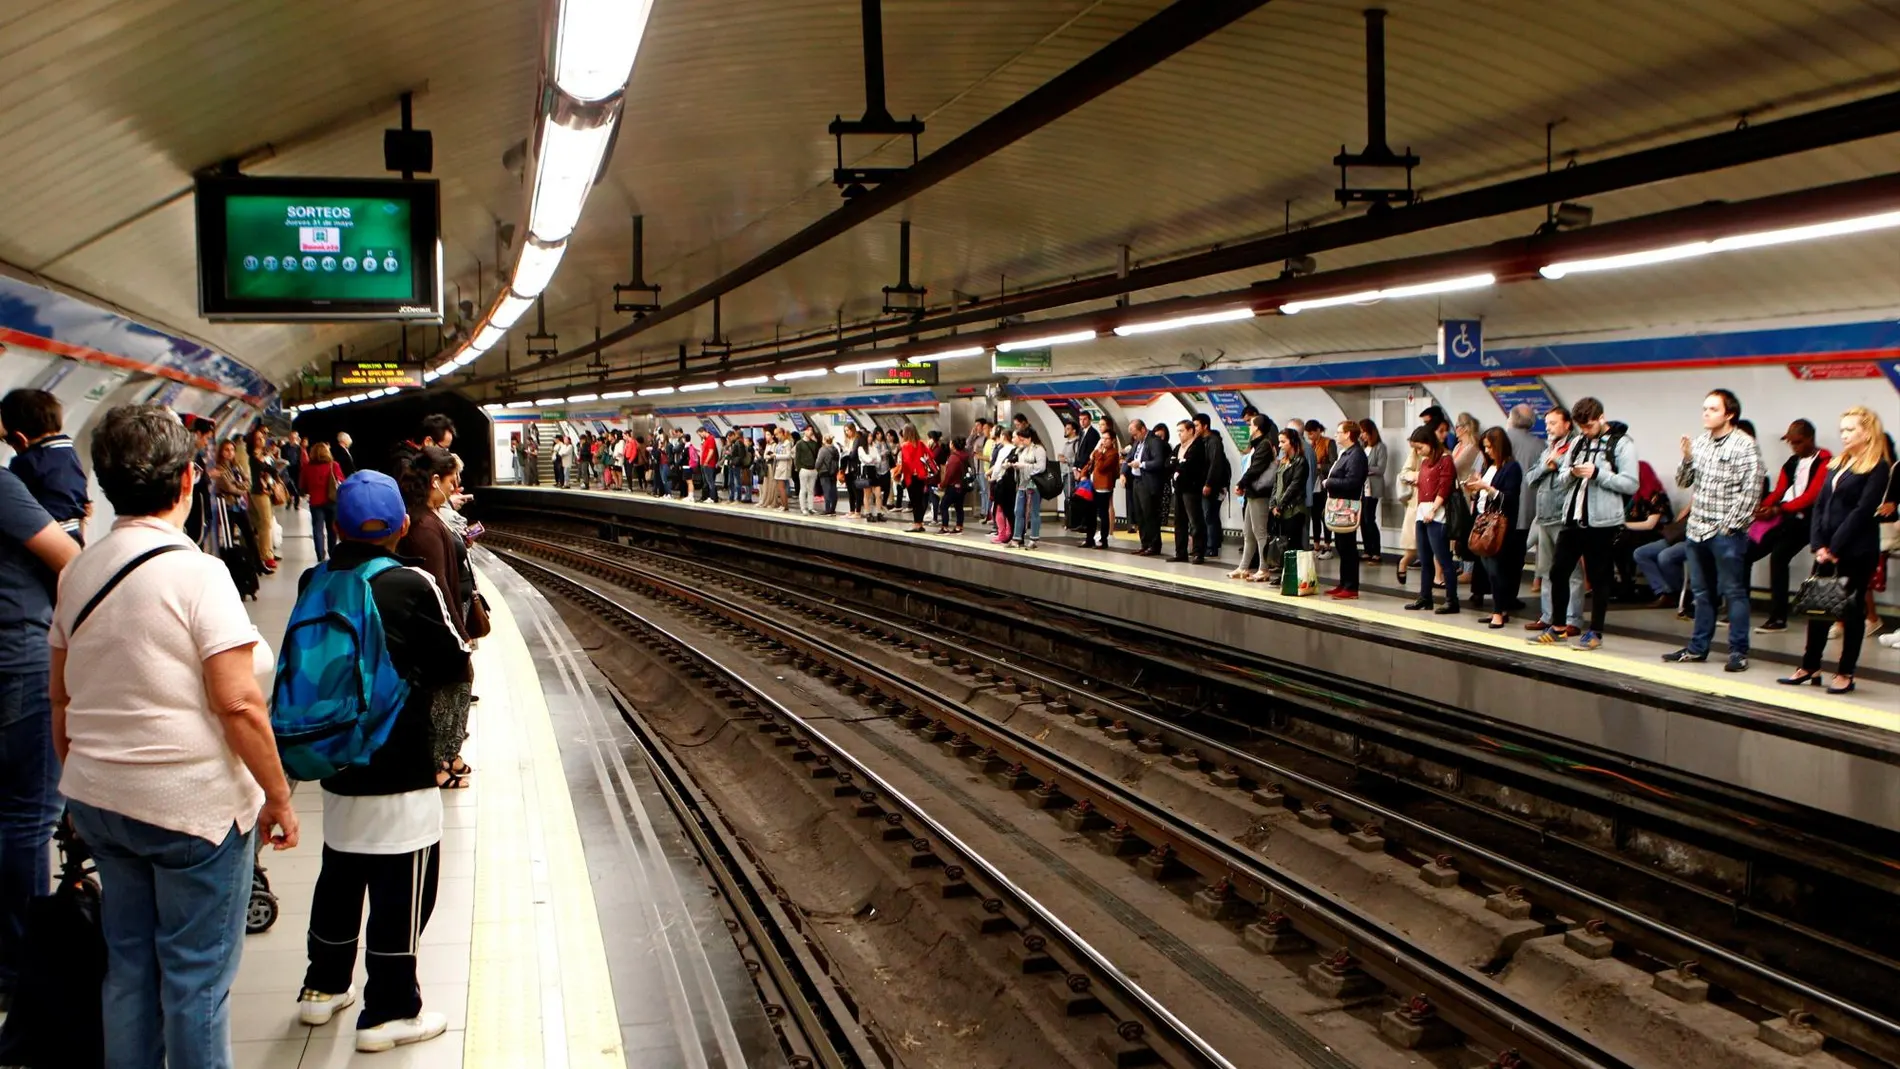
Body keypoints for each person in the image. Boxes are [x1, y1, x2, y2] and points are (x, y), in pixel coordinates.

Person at [53, 405, 298, 1069]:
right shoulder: (198, 574)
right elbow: (240, 701)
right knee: (195, 979)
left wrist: (83, 779)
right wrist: (277, 793)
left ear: (105, 483)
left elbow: (62, 694)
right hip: (191, 809)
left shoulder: (78, 569)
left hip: (102, 801)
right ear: (189, 479)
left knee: (130, 967)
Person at [294, 470, 472, 1051]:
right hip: (401, 764)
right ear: (400, 525)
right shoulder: (411, 584)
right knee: (404, 886)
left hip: (337, 760)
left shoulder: (313, 579)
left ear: (338, 525)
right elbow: (454, 660)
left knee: (339, 873)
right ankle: (389, 1011)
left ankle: (322, 988)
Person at [0, 464, 79, 1005]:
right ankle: (22, 966)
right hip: (17, 660)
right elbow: (69, 561)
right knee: (29, 817)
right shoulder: (2, 488)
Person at [1779, 408, 1892, 694]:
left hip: (1856, 550)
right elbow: (1819, 505)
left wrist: (1836, 546)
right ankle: (1810, 665)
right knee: (1818, 607)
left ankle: (1845, 672)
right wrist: (1819, 545)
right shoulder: (1837, 463)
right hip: (1827, 549)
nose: (1844, 435)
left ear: (1867, 432)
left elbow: (1862, 511)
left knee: (1851, 610)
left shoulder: (1877, 467)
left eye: (1850, 430)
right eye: (1842, 430)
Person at [1664, 389, 1763, 672]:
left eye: (1713, 409)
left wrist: (1730, 527)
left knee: (1734, 591)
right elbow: (1684, 482)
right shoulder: (1701, 443)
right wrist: (1686, 457)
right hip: (1696, 530)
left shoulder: (1745, 445)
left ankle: (1738, 651)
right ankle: (1698, 648)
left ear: (1729, 414)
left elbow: (1751, 490)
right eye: (1704, 408)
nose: (1705, 413)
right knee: (1702, 593)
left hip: (1725, 532)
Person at [1531, 397, 1639, 650]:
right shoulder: (1578, 442)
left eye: (1589, 426)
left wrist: (1599, 474)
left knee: (1599, 576)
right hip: (1573, 516)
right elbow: (1561, 478)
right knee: (1558, 571)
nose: (1585, 432)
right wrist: (1572, 472)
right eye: (1582, 427)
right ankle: (1557, 627)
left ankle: (1595, 632)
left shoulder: (1622, 444)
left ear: (1601, 418)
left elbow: (1631, 483)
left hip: (1603, 521)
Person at [396, 447, 474, 789]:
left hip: (439, 625)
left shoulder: (426, 516)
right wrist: (458, 633)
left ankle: (447, 756)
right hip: (437, 629)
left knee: (453, 687)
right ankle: (439, 763)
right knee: (450, 690)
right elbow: (438, 586)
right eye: (451, 479)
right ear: (435, 480)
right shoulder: (425, 527)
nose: (455, 485)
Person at [1752, 420, 1831, 632]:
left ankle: (1778, 618)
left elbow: (1812, 496)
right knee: (1747, 552)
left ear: (1810, 439)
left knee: (1779, 556)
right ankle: (1736, 610)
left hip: (1811, 521)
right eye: (1791, 443)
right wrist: (1760, 508)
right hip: (1788, 518)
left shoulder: (1825, 461)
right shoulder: (1791, 463)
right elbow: (1779, 491)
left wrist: (1778, 510)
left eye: (1798, 442)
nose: (1794, 447)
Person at [1526, 408, 1585, 636]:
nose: (1548, 427)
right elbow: (1530, 478)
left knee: (1571, 572)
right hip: (1544, 517)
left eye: (1553, 423)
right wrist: (1545, 466)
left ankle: (1572, 618)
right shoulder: (1547, 449)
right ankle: (1548, 616)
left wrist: (1559, 463)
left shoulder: (1576, 447)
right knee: (1546, 570)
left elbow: (1575, 477)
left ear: (1567, 424)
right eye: (1547, 423)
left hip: (1564, 518)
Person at [4, 389, 91, 545]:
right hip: (73, 532)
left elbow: (14, 503)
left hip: (46, 538)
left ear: (20, 438)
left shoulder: (25, 463)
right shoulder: (68, 451)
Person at [1468, 429, 1524, 628]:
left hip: (1500, 525)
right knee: (1488, 568)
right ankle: (1499, 609)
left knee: (1497, 569)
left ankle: (1499, 611)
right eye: (1485, 447)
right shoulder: (1488, 466)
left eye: (1490, 447)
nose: (1487, 451)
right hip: (1484, 521)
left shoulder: (1512, 468)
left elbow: (1510, 498)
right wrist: (1476, 489)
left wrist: (1487, 488)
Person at [1406, 425, 1460, 614]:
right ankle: (1425, 597)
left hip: (1437, 513)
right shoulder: (1425, 462)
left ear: (1429, 442)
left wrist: (1435, 508)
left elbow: (1445, 487)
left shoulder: (1446, 460)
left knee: (1444, 558)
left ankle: (1452, 600)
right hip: (1423, 511)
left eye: (1420, 448)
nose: (1418, 452)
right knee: (1425, 558)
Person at [1323, 421, 1368, 598]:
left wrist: (1329, 482)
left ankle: (1351, 586)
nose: (1336, 435)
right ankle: (1343, 583)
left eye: (1339, 432)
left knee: (1348, 546)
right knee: (1341, 545)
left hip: (1348, 506)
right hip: (1338, 504)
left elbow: (1353, 482)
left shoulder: (1356, 455)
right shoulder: (1346, 453)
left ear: (1349, 434)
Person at [1232, 415, 1278, 580]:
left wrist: (1241, 483)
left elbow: (1256, 468)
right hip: (1252, 492)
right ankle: (1243, 567)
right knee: (1248, 532)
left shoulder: (1264, 445)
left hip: (1260, 493)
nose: (1249, 427)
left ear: (1258, 427)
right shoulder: (1257, 445)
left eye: (1250, 424)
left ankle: (1263, 568)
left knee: (1260, 532)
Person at [300, 442, 346, 562]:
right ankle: (332, 552)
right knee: (332, 529)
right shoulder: (334, 465)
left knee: (317, 529)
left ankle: (320, 555)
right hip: (332, 501)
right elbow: (341, 481)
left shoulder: (307, 467)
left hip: (315, 502)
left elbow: (302, 486)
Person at [1268, 427, 1309, 562]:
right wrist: (1273, 504)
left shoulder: (1300, 462)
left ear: (1292, 442)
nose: (1280, 445)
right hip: (1281, 509)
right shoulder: (1283, 462)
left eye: (1283, 442)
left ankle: (1294, 574)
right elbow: (1276, 484)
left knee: (1293, 543)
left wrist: (1280, 505)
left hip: (1294, 508)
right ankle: (1284, 572)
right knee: (1283, 543)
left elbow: (1294, 486)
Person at [1171, 420, 1208, 563]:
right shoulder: (1178, 447)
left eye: (1182, 431)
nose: (1179, 434)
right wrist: (1178, 463)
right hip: (1179, 488)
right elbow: (1169, 463)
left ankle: (1198, 551)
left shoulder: (1197, 446)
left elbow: (1190, 465)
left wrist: (1180, 464)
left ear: (1191, 431)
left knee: (1195, 520)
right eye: (1178, 431)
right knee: (1179, 521)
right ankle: (1180, 552)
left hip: (1191, 488)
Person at [1079, 419, 1120, 549]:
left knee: (1103, 513)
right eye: (1103, 438)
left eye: (1107, 439)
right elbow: (1091, 462)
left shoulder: (1113, 454)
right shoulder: (1099, 451)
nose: (1104, 441)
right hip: (1092, 484)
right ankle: (1089, 538)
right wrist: (1083, 474)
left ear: (1112, 440)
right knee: (1090, 512)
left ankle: (1104, 539)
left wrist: (1100, 453)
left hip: (1103, 486)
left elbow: (1102, 467)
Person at [1195, 413, 1230, 557]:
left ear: (1205, 426)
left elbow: (1215, 464)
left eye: (1197, 425)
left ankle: (1212, 546)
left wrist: (1209, 483)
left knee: (1210, 515)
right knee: (1206, 515)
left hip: (1213, 486)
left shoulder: (1214, 441)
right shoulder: (1200, 441)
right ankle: (1207, 544)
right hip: (1202, 484)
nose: (1195, 428)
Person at [246, 426, 281, 572]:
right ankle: (267, 555)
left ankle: (261, 552)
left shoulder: (262, 454)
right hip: (259, 491)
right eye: (259, 438)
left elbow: (271, 469)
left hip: (262, 490)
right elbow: (257, 472)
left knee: (260, 523)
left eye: (263, 438)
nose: (262, 440)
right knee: (265, 523)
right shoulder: (252, 457)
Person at [1010, 428, 1048, 549]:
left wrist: (1025, 466)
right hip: (1022, 483)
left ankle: (1034, 539)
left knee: (1034, 511)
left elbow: (1041, 467)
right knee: (1018, 510)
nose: (1021, 441)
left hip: (1034, 484)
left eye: (1023, 439)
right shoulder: (1023, 450)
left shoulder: (1039, 449)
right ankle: (1016, 538)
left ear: (1030, 438)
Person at [1358, 418, 1386, 566]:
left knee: (1370, 518)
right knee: (1362, 519)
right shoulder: (1362, 447)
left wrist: (1366, 469)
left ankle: (1376, 552)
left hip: (1373, 487)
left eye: (1364, 432)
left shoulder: (1380, 447)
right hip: (1362, 487)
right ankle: (1367, 550)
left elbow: (1381, 468)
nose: (1362, 435)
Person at [898, 425, 937, 531]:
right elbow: (930, 456)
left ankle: (916, 524)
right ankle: (920, 523)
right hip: (921, 476)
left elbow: (906, 462)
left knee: (914, 501)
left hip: (911, 476)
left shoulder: (905, 445)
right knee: (920, 501)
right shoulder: (920, 443)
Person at [1304, 420, 1333, 556]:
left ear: (1318, 430)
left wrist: (1320, 466)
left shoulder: (1328, 443)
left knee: (1324, 515)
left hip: (1324, 483)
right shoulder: (1310, 445)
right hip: (1313, 484)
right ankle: (1316, 545)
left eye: (1311, 433)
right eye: (1307, 434)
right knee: (1314, 516)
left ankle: (1327, 545)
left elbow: (1333, 464)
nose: (1309, 436)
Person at [987, 429, 1018, 545]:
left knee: (999, 509)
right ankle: (1010, 532)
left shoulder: (1004, 449)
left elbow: (998, 466)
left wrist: (992, 478)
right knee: (1010, 509)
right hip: (1012, 483)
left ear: (1004, 436)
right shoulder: (1014, 449)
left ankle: (1002, 534)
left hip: (1002, 482)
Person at [937, 437, 970, 533]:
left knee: (944, 505)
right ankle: (959, 526)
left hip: (953, 486)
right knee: (959, 506)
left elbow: (949, 475)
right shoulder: (964, 456)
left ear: (953, 445)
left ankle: (944, 527)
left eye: (951, 443)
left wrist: (942, 485)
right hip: (962, 486)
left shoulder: (953, 458)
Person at [967, 420, 992, 520]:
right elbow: (967, 446)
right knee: (982, 491)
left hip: (983, 468)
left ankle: (986, 511)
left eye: (978, 425)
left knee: (985, 490)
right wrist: (972, 435)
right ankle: (983, 510)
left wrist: (979, 454)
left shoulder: (986, 439)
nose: (976, 427)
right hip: (976, 468)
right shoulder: (976, 438)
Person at [795, 427, 821, 515]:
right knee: (803, 490)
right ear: (804, 431)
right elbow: (797, 458)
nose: (810, 432)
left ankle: (811, 508)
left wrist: (817, 468)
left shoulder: (814, 443)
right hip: (804, 469)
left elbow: (817, 456)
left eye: (811, 430)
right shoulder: (799, 443)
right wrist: (799, 469)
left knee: (811, 490)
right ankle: (803, 508)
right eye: (808, 430)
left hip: (813, 469)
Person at [816, 435, 840, 515]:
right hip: (833, 472)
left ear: (824, 441)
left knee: (827, 491)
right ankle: (833, 509)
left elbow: (819, 462)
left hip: (824, 472)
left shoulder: (823, 450)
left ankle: (827, 509)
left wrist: (816, 468)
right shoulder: (835, 450)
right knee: (833, 490)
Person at [282, 431, 306, 511]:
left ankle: (296, 503)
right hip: (287, 468)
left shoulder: (298, 448)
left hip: (296, 468)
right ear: (289, 437)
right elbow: (282, 458)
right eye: (291, 437)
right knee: (288, 486)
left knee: (296, 486)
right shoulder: (284, 447)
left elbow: (299, 459)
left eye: (294, 437)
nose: (293, 438)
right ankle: (289, 501)